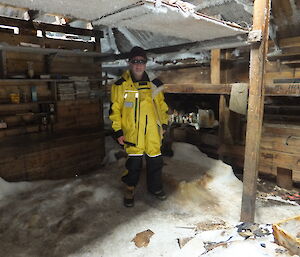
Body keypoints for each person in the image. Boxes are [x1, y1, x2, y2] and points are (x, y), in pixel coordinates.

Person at [109, 46, 169, 207]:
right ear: (129, 63)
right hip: (133, 133)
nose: (138, 65)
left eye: (141, 61)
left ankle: (155, 188)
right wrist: (118, 131)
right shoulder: (120, 85)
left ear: (145, 63)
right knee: (133, 165)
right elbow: (115, 110)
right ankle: (129, 188)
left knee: (155, 162)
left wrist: (163, 124)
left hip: (152, 133)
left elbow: (162, 106)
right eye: (135, 61)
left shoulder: (155, 84)